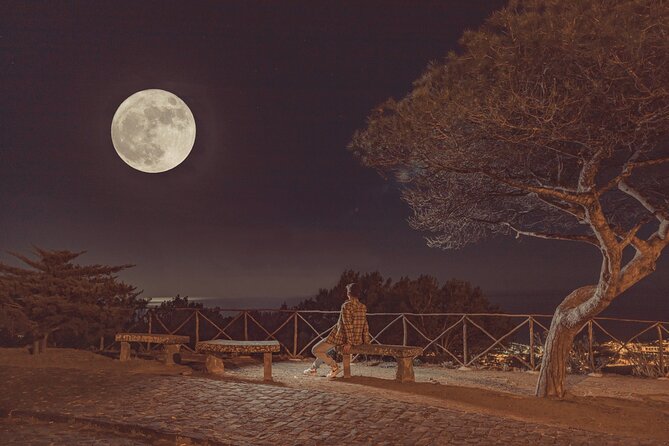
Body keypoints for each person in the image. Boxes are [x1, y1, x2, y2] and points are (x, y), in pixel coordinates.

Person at [303, 282, 371, 378]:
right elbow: (365, 325)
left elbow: (348, 326)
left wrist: (349, 342)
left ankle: (334, 367)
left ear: (348, 294)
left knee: (315, 350)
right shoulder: (363, 307)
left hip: (342, 338)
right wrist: (367, 341)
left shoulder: (346, 306)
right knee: (324, 350)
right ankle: (313, 368)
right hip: (356, 339)